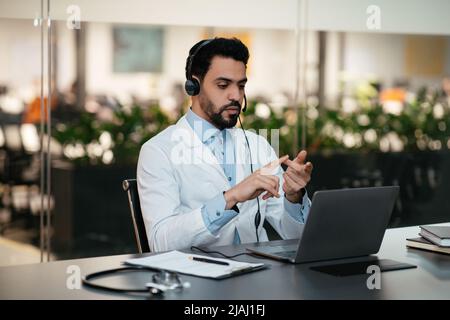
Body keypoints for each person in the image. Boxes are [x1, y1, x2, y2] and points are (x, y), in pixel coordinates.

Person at [137, 38, 313, 252]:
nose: (236, 96)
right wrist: (232, 197)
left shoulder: (256, 145)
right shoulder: (158, 151)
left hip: (258, 274)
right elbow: (160, 242)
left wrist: (294, 198)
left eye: (241, 86)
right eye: (223, 85)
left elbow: (295, 237)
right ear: (194, 86)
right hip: (196, 279)